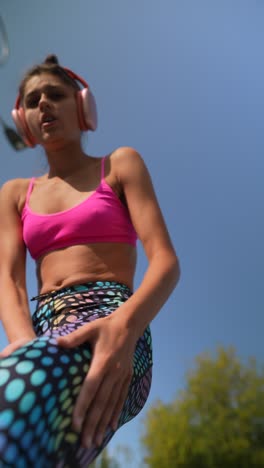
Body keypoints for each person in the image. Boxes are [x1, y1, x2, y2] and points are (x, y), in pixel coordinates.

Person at [0, 55, 180, 467]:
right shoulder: (13, 194)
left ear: (83, 108)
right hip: (44, 333)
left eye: (56, 95)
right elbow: (10, 282)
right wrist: (25, 345)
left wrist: (124, 328)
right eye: (32, 100)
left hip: (114, 325)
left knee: (10, 405)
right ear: (23, 120)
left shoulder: (119, 165)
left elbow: (166, 262)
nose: (43, 103)